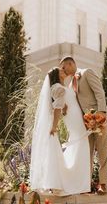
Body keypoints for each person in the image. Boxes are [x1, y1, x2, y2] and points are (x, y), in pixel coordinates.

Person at [30, 67, 91, 196]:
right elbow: (57, 108)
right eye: (61, 71)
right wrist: (54, 126)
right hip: (53, 124)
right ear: (57, 75)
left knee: (55, 152)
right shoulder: (58, 87)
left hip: (66, 121)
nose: (64, 71)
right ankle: (57, 184)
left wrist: (64, 107)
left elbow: (60, 104)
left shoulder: (58, 87)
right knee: (54, 153)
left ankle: (58, 183)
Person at [60, 56, 107, 195]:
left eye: (64, 67)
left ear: (71, 64)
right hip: (85, 124)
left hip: (100, 118)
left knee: (102, 151)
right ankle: (86, 185)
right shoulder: (70, 85)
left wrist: (101, 113)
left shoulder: (87, 73)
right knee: (86, 153)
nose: (63, 70)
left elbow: (100, 92)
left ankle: (103, 184)